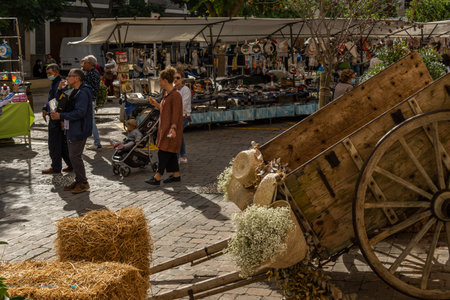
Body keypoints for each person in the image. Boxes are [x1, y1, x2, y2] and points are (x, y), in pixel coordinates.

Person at [51, 68, 93, 194]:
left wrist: (61, 116)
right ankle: (79, 180)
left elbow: (80, 112)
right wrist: (59, 89)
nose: (67, 78)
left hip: (80, 128)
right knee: (73, 155)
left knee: (75, 156)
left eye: (69, 76)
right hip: (73, 127)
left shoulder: (83, 93)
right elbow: (61, 101)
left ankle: (83, 182)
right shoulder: (74, 91)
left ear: (77, 78)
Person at [145, 66, 183, 186]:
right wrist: (156, 104)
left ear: (165, 81)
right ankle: (176, 175)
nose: (159, 83)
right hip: (165, 128)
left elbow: (176, 114)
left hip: (170, 129)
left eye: (160, 80)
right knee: (170, 152)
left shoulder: (175, 95)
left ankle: (157, 176)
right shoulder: (167, 94)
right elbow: (165, 109)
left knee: (163, 152)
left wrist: (173, 128)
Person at [41, 64, 73, 174]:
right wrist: (45, 108)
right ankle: (71, 164)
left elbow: (61, 102)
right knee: (62, 144)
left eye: (50, 73)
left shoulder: (61, 84)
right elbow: (52, 99)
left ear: (56, 72)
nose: (48, 75)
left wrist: (60, 119)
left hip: (58, 118)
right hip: (56, 116)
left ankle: (56, 167)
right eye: (47, 74)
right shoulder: (55, 83)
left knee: (54, 144)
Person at [81, 55, 102, 151]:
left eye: (85, 63)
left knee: (91, 121)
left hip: (89, 100)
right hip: (90, 99)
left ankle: (97, 143)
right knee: (88, 121)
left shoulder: (91, 74)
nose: (83, 65)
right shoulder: (92, 72)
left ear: (90, 64)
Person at [174, 69, 191, 163]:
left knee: (176, 134)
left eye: (177, 78)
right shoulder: (173, 89)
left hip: (183, 116)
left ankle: (177, 157)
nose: (175, 80)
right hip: (176, 116)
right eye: (174, 78)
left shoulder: (185, 90)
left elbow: (183, 104)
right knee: (179, 135)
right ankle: (183, 156)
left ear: (182, 79)